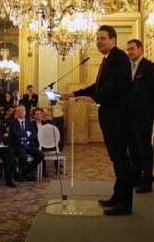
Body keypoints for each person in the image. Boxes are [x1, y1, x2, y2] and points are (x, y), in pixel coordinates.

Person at [62, 25, 134, 216]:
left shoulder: (119, 59)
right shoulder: (108, 59)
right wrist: (74, 94)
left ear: (114, 40)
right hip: (110, 117)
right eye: (97, 39)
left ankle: (125, 204)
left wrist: (95, 98)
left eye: (103, 38)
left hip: (118, 118)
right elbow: (98, 85)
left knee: (120, 161)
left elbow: (115, 85)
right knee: (116, 159)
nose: (99, 42)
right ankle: (117, 196)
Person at [126, 39, 154, 193]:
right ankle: (135, 178)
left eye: (132, 49)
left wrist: (152, 111)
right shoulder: (128, 67)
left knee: (144, 149)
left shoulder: (148, 66)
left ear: (140, 50)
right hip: (129, 116)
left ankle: (147, 181)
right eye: (128, 50)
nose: (129, 52)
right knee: (133, 149)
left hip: (143, 116)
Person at [7, 104, 44, 181]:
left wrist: (26, 139)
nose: (21, 112)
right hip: (18, 145)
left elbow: (34, 135)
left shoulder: (29, 122)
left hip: (29, 144)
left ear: (25, 112)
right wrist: (27, 133)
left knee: (41, 155)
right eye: (19, 110)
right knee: (23, 156)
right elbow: (16, 135)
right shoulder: (12, 122)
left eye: (22, 110)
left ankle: (26, 172)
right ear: (16, 113)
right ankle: (24, 173)